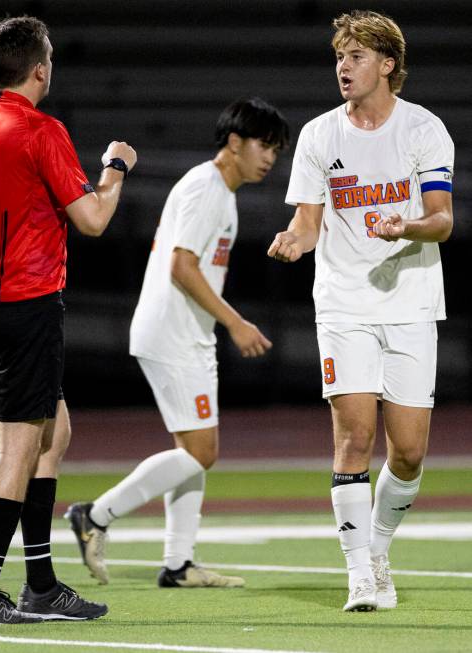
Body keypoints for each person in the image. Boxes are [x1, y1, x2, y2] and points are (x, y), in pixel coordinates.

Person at [0, 16, 136, 624]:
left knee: (54, 432)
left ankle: (41, 584)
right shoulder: (41, 130)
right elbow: (93, 219)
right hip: (27, 307)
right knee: (15, 450)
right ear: (40, 68)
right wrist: (116, 169)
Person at [267, 10, 454, 612]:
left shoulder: (424, 129)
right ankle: (360, 575)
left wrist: (409, 226)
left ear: (388, 65)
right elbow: (307, 220)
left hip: (410, 302)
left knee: (409, 451)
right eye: (339, 58)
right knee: (354, 436)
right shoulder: (320, 135)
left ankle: (378, 546)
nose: (343, 68)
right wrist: (296, 238)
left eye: (355, 57)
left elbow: (443, 220)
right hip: (343, 303)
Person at [65, 97, 289, 588]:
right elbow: (182, 266)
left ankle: (179, 564)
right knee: (201, 450)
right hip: (173, 333)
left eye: (276, 148)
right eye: (263, 144)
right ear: (234, 142)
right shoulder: (208, 188)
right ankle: (95, 515)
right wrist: (235, 322)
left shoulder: (218, 191)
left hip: (183, 333)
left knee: (192, 447)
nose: (270, 157)